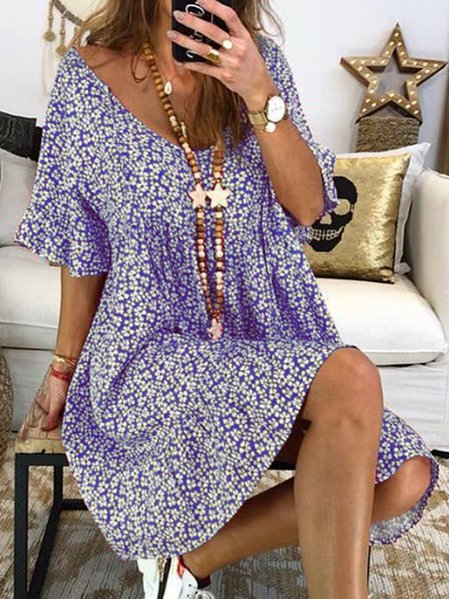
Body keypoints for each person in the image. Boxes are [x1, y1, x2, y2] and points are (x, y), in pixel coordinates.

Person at [13, 0, 440, 598]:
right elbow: (82, 247)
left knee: (404, 476)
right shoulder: (87, 79)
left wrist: (258, 91)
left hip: (259, 338)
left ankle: (191, 560)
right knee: (351, 378)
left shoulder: (259, 64)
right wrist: (63, 368)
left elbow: (308, 207)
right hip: (149, 351)